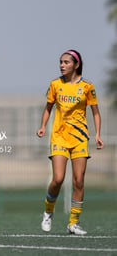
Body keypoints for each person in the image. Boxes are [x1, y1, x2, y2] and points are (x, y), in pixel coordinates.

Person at [37, 49, 104, 235]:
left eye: (66, 62)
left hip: (80, 138)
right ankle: (48, 212)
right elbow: (48, 108)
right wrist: (43, 125)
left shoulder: (87, 87)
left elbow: (95, 112)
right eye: (60, 62)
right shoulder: (55, 85)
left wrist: (98, 134)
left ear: (76, 64)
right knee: (58, 179)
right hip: (59, 136)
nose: (62, 65)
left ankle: (73, 223)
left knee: (79, 181)